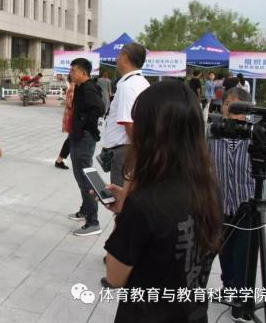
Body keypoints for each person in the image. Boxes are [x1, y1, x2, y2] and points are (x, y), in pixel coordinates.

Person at [100, 80, 223, 323]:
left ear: (151, 132)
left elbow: (114, 277)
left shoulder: (143, 204)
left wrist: (125, 210)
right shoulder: (208, 189)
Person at [208, 87, 255, 322]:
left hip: (248, 207)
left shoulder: (257, 137)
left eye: (238, 106)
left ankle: (242, 301)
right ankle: (228, 287)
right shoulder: (212, 134)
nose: (231, 110)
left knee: (244, 255)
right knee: (223, 251)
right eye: (228, 104)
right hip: (219, 205)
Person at [102, 43, 149, 187]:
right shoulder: (143, 82)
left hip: (124, 152)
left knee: (121, 195)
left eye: (118, 55)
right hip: (131, 149)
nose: (116, 59)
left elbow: (129, 123)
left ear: (124, 57)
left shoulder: (127, 86)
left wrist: (138, 152)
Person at [67, 58, 105, 236]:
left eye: (73, 70)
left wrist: (84, 126)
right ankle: (85, 210)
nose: (71, 73)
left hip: (84, 138)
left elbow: (100, 108)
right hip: (79, 136)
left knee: (86, 179)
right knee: (81, 176)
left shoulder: (89, 88)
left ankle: (93, 222)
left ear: (83, 72)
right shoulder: (81, 87)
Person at [55, 75, 74, 170]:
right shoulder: (73, 88)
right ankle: (59, 160)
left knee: (70, 139)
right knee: (71, 139)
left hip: (72, 118)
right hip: (73, 118)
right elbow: (70, 104)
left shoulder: (73, 87)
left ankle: (59, 160)